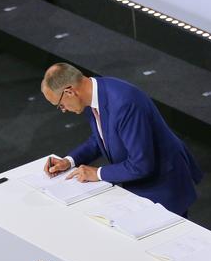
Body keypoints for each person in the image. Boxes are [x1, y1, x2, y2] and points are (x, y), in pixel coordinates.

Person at [42, 63, 202, 216]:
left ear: (70, 92)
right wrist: (69, 161)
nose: (63, 110)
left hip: (163, 184)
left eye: (60, 105)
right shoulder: (94, 94)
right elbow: (102, 136)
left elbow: (141, 164)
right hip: (140, 180)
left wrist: (97, 173)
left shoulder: (123, 104)